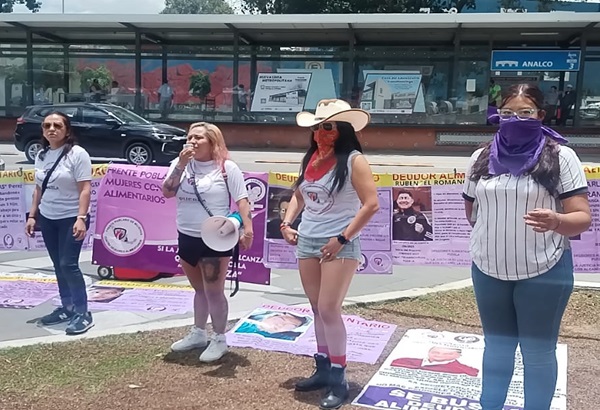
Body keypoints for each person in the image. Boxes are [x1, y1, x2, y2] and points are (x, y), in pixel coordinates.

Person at [463, 83, 591, 410]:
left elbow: (582, 217)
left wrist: (556, 221)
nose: (515, 119)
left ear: (541, 116)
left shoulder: (562, 156)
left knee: (536, 352)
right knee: (498, 348)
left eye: (525, 113)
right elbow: (472, 210)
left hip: (543, 271)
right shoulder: (481, 156)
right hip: (489, 269)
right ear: (497, 116)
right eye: (507, 113)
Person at [280, 99, 380, 409]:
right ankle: (323, 367)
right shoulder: (312, 158)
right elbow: (299, 192)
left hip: (339, 243)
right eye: (316, 127)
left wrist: (342, 237)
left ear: (343, 130)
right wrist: (286, 222)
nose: (319, 133)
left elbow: (371, 204)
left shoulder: (353, 160)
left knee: (328, 308)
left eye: (327, 127)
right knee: (315, 307)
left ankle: (339, 377)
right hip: (308, 240)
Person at [162, 122, 253, 363]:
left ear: (212, 142)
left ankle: (220, 337)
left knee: (214, 290)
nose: (192, 141)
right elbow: (167, 191)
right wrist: (180, 164)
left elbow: (242, 200)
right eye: (190, 136)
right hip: (187, 234)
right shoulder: (180, 165)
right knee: (199, 289)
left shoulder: (226, 168)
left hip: (216, 238)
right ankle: (198, 333)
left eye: (199, 138)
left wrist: (248, 230)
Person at [25, 112, 93, 335]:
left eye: (57, 125)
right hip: (48, 217)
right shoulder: (42, 154)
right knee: (57, 265)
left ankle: (83, 312)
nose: (51, 129)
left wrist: (81, 218)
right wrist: (32, 216)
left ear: (67, 130)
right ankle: (67, 307)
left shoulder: (77, 154)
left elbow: (85, 189)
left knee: (68, 264)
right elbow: (38, 188)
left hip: (71, 217)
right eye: (47, 126)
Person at [391, 347, 479, 377]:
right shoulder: (403, 361)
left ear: (458, 356)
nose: (440, 355)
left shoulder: (468, 371)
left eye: (448, 354)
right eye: (435, 352)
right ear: (429, 352)